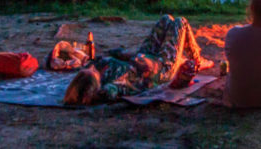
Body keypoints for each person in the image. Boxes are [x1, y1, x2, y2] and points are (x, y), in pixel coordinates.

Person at [63, 14, 206, 105]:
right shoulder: (111, 87)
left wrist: (126, 55)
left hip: (144, 56)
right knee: (180, 23)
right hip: (161, 68)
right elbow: (110, 94)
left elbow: (89, 63)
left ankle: (191, 55)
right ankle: (197, 60)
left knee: (166, 19)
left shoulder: (99, 68)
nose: (92, 68)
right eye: (91, 71)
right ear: (94, 84)